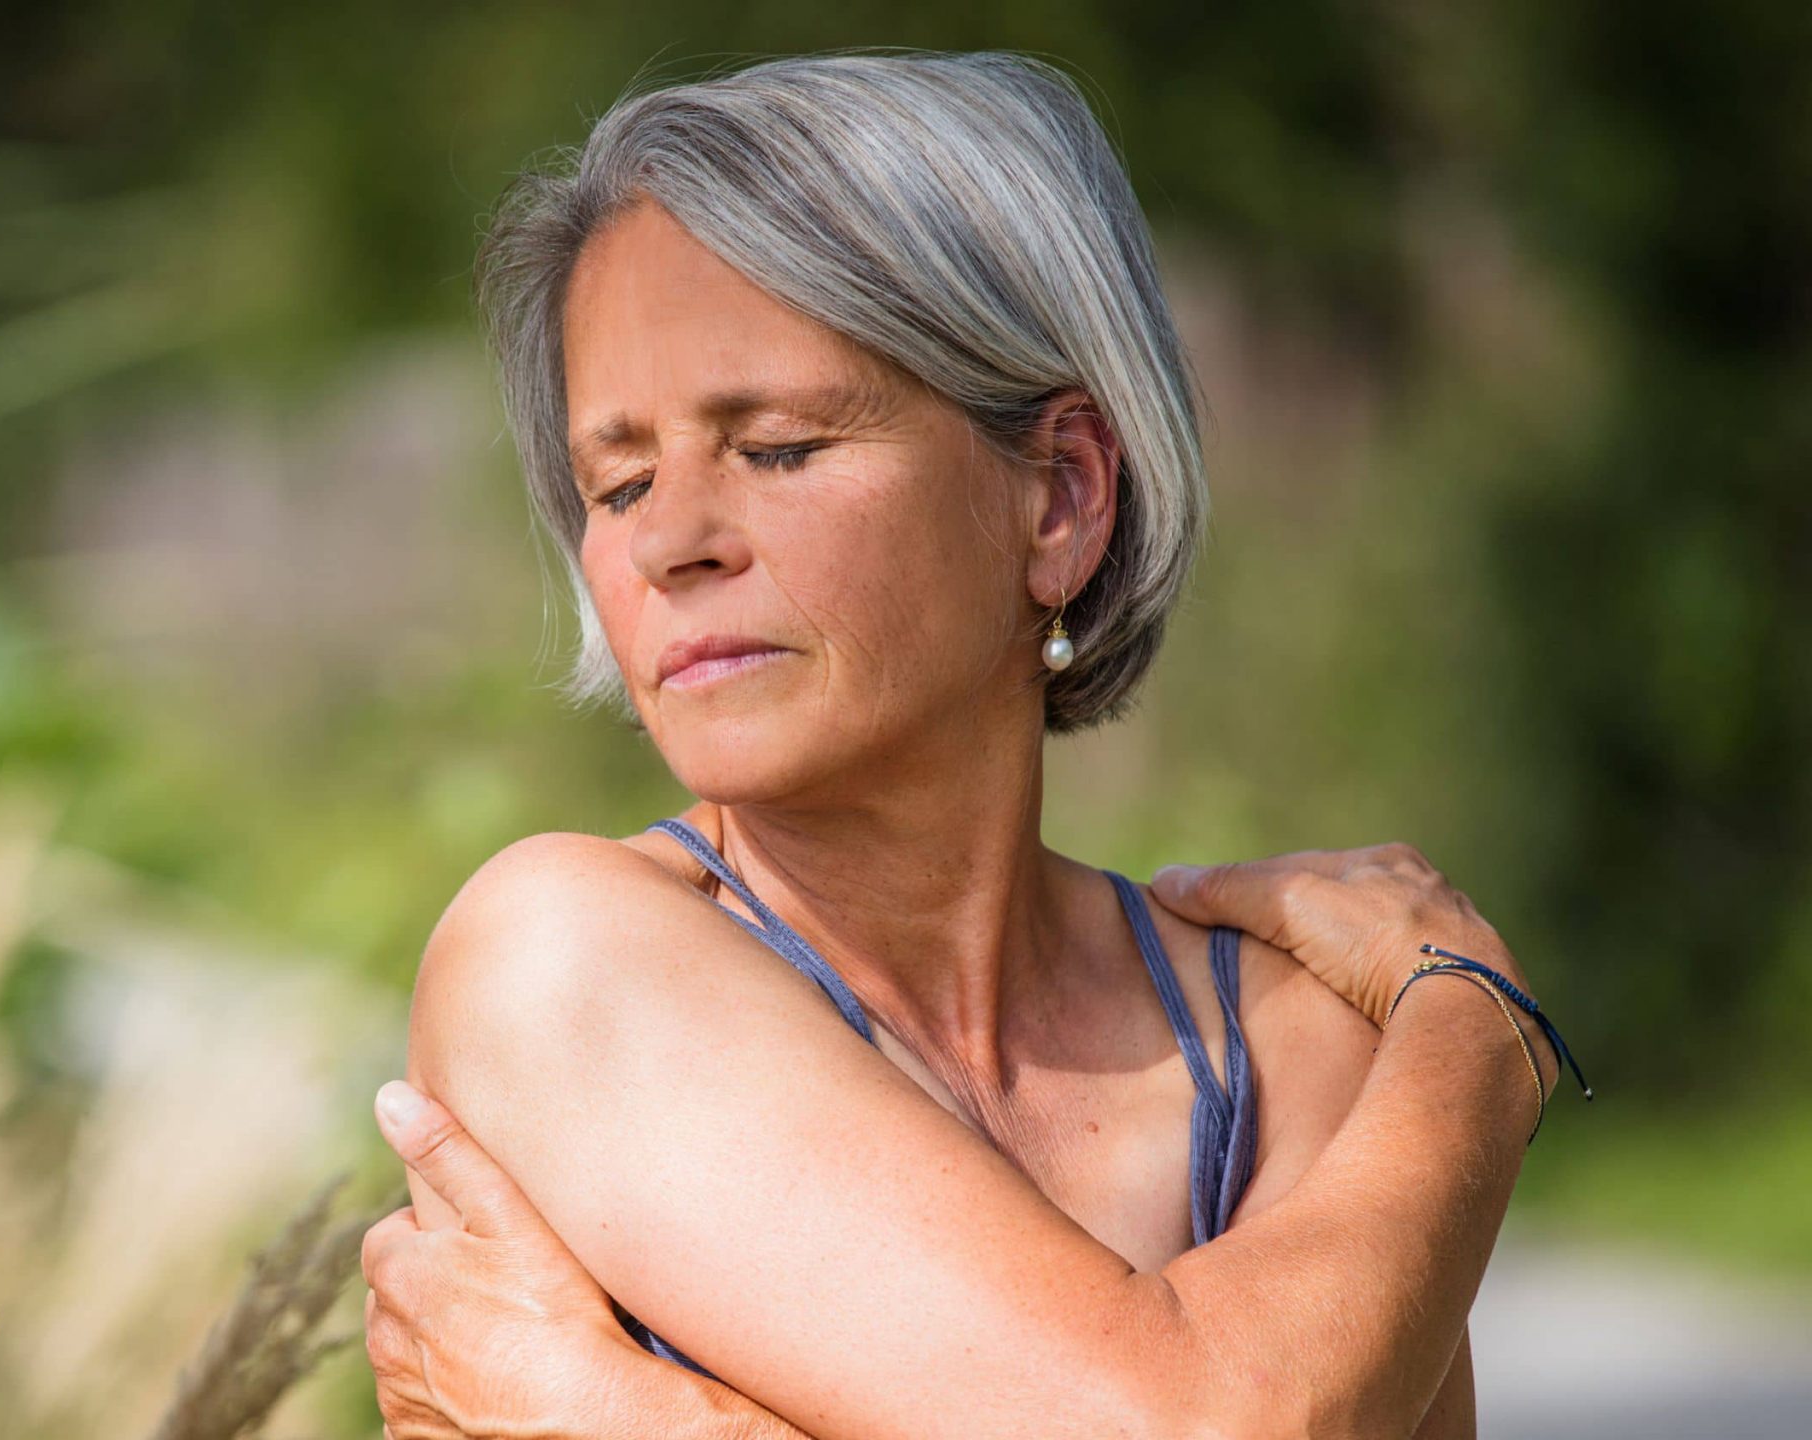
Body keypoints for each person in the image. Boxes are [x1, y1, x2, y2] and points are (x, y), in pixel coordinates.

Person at [361, 49, 1570, 1439]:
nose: (669, 542)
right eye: (619, 482)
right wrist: (1477, 1037)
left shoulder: (1287, 1041)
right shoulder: (561, 958)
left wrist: (653, 1423)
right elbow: (1194, 1423)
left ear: (1060, 494)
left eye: (778, 447)